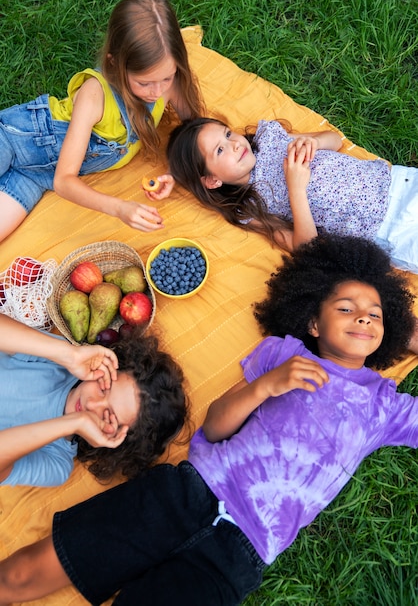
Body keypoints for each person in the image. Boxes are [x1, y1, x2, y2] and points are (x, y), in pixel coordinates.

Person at [0, 234, 416, 605]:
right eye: (346, 307)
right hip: (187, 491)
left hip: (243, 552)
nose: (363, 316)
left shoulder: (386, 407)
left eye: (375, 313)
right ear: (313, 322)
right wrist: (266, 386)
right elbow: (214, 427)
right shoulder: (283, 353)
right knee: (19, 576)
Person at [0, 0, 203, 242]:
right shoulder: (95, 95)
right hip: (14, 139)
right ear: (115, 63)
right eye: (145, 83)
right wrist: (119, 208)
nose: (158, 91)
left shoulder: (169, 83)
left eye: (167, 78)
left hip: (34, 176)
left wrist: (174, 173)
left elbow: (197, 132)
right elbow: (64, 180)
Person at [162, 117, 418, 274]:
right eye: (220, 150)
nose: (235, 144)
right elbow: (306, 248)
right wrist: (296, 189)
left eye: (228, 134)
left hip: (396, 183)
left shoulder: (268, 139)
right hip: (386, 231)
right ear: (212, 180)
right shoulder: (248, 207)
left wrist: (313, 143)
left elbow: (334, 139)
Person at [0, 314, 187, 487]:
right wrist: (68, 354)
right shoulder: (61, 362)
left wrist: (73, 423)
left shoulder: (57, 461)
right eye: (103, 388)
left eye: (108, 416)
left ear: (114, 438)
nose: (91, 404)